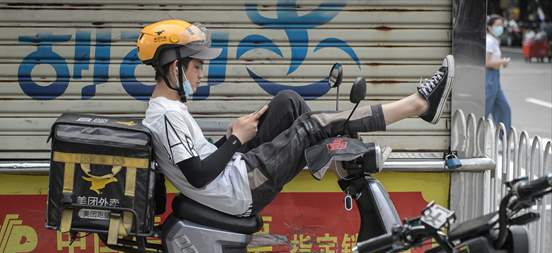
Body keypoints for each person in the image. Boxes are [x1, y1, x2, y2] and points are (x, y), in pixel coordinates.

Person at [138, 19, 455, 217]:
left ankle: (345, 161)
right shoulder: (165, 116)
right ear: (175, 68)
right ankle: (418, 105)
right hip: (239, 189)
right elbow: (197, 175)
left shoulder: (171, 110)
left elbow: (201, 160)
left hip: (235, 176)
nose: (201, 74)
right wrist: (236, 139)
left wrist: (232, 136)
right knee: (312, 125)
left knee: (287, 103)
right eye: (197, 66)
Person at [485, 14, 512, 132]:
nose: (500, 28)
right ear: (489, 27)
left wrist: (501, 63)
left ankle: (504, 139)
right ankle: (471, 139)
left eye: (501, 25)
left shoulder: (494, 40)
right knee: (484, 110)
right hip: (489, 77)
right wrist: (503, 61)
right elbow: (487, 62)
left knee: (503, 109)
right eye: (497, 25)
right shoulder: (489, 41)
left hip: (495, 77)